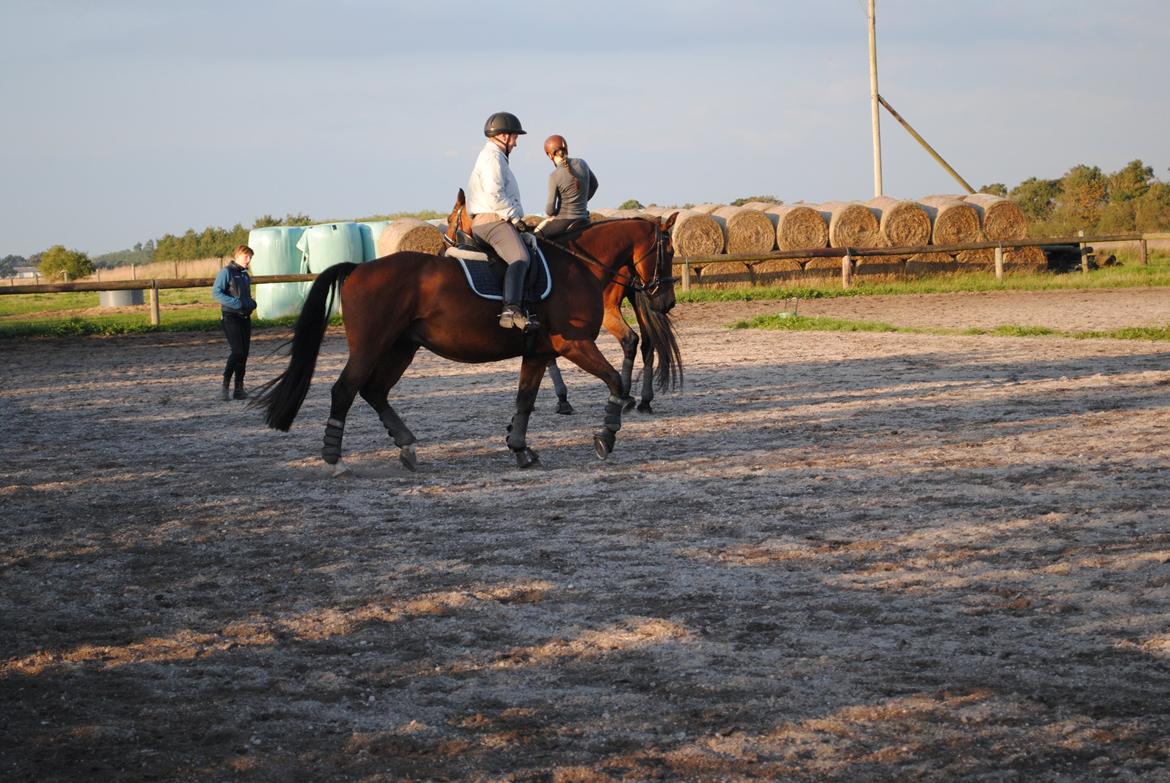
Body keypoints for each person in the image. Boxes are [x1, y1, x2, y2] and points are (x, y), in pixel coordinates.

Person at [466, 111, 538, 331]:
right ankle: (510, 309)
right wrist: (516, 219)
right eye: (515, 137)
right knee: (520, 257)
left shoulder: (496, 157)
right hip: (492, 220)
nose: (516, 143)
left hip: (494, 218)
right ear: (504, 136)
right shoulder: (492, 158)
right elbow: (494, 194)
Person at [211, 244, 256, 400]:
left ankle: (239, 388)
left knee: (244, 354)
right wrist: (237, 304)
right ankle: (224, 387)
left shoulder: (245, 275)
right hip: (231, 317)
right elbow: (216, 293)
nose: (249, 260)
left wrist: (252, 303)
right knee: (237, 352)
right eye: (246, 257)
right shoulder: (226, 272)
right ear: (237, 255)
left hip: (245, 318)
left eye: (250, 257)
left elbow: (246, 297)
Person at [535, 134, 598, 238]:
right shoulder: (582, 163)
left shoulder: (554, 175)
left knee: (535, 238)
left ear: (550, 155)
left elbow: (549, 210)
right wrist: (581, 201)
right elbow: (595, 185)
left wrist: (553, 215)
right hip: (584, 218)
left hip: (564, 221)